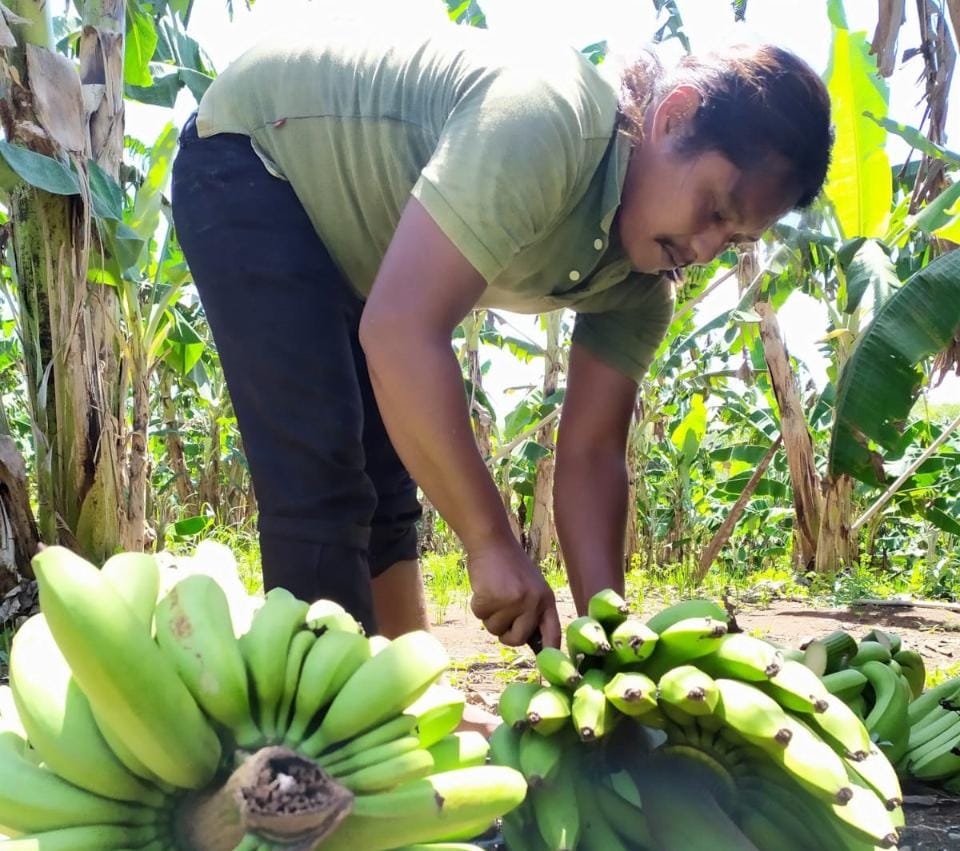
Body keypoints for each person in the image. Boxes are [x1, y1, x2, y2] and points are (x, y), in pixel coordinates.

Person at [171, 20, 832, 652]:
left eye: (736, 237)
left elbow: (592, 455)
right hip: (254, 156)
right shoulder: (548, 121)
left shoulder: (640, 286)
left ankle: (407, 694)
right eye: (715, 208)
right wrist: (490, 540)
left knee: (385, 483)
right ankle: (324, 735)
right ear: (674, 115)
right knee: (318, 471)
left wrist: (609, 639)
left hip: (360, 252)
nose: (707, 246)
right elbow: (402, 330)